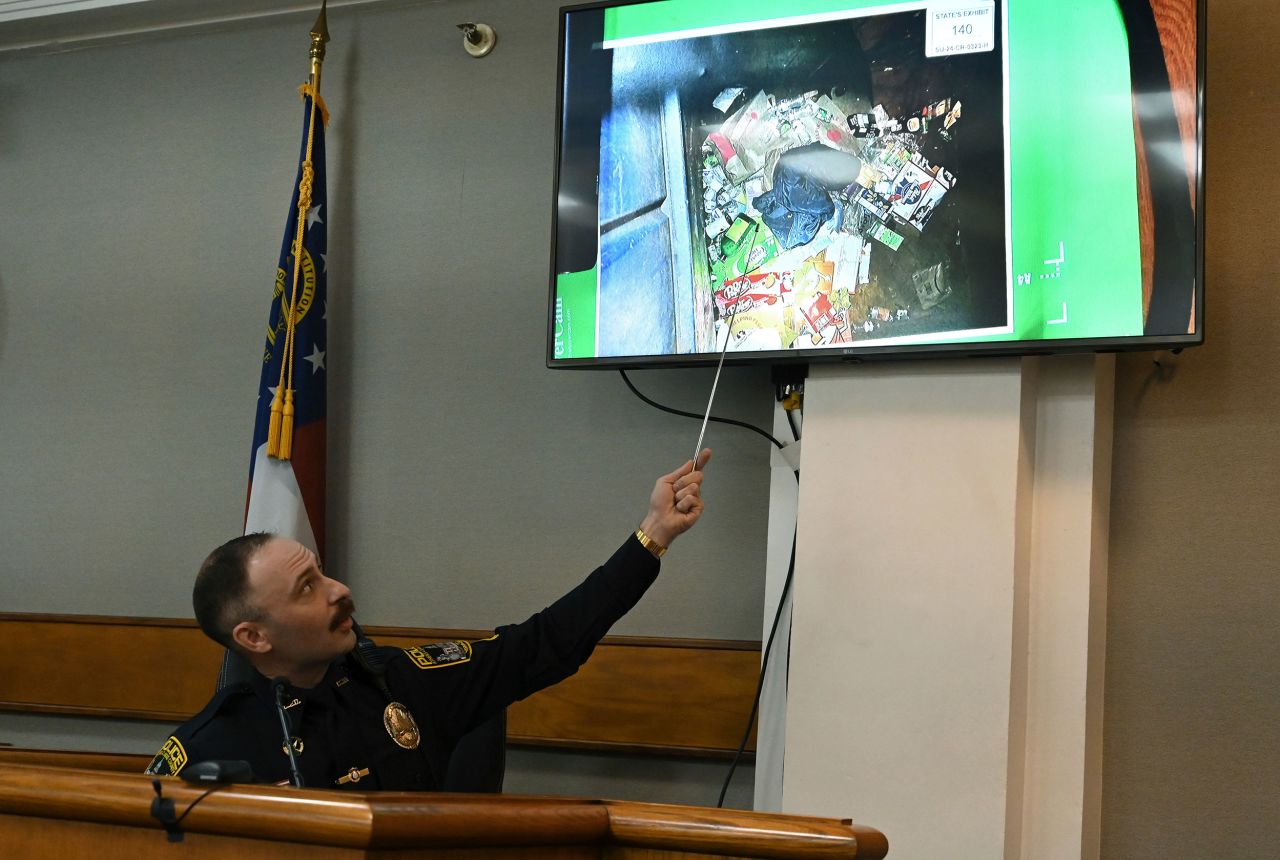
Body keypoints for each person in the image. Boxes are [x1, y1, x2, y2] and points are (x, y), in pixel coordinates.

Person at [145, 451, 711, 790]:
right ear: (254, 636)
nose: (340, 590)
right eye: (308, 588)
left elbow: (546, 643)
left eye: (323, 573)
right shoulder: (202, 755)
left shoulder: (405, 682)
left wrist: (653, 535)